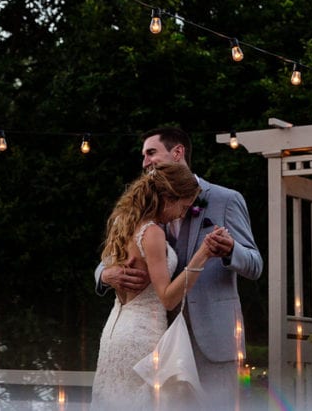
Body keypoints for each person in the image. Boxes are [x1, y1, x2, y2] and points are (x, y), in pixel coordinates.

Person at [95, 127, 263, 408]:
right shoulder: (148, 206)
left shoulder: (226, 199)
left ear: (178, 152)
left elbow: (255, 264)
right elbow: (110, 257)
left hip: (213, 342)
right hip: (157, 339)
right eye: (143, 155)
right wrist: (105, 275)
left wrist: (231, 250)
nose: (145, 162)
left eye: (151, 153)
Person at [91, 161, 229, 409]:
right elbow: (167, 297)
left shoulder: (123, 223)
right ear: (168, 197)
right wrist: (203, 254)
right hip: (142, 336)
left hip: (115, 330)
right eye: (184, 206)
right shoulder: (152, 232)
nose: (183, 214)